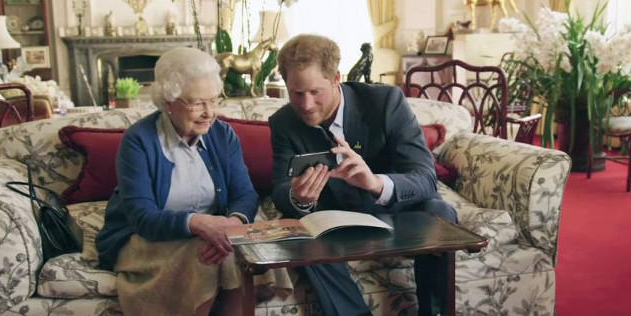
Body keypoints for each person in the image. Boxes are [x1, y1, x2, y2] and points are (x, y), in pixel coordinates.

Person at [269, 34, 458, 316]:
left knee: (440, 210)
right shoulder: (284, 122)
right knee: (297, 230)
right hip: (334, 221)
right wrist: (298, 196)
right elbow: (280, 188)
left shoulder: (385, 102)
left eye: (315, 92)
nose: (306, 105)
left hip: (396, 212)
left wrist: (375, 183)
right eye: (297, 94)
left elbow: (425, 177)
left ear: (336, 78)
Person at [95, 47, 257, 316]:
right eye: (197, 103)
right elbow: (142, 218)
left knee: (229, 252)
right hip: (145, 238)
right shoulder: (139, 141)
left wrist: (233, 225)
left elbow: (246, 194)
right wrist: (197, 223)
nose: (209, 113)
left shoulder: (222, 134)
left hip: (213, 236)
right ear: (168, 102)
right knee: (204, 257)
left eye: (214, 100)